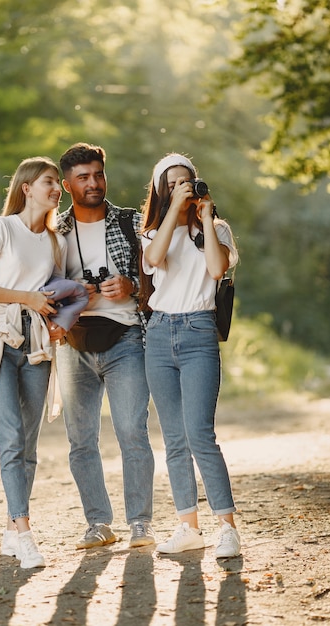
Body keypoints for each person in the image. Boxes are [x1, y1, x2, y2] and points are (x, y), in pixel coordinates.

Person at [0, 156, 78, 569]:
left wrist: (60, 325)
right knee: (10, 437)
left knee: (27, 446)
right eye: (49, 181)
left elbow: (60, 293)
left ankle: (12, 529)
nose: (56, 189)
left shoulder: (55, 242)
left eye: (57, 184)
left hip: (37, 346)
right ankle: (26, 532)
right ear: (27, 187)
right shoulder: (1, 229)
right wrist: (26, 298)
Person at [54, 142, 155, 550]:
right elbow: (39, 289)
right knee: (81, 440)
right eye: (83, 177)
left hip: (125, 336)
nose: (93, 183)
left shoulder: (132, 222)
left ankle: (141, 525)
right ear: (66, 185)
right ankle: (99, 524)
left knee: (132, 431)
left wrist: (131, 285)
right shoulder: (54, 232)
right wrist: (73, 292)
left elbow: (158, 277)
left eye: (98, 174)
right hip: (74, 343)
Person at [140, 153, 240, 558]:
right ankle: (188, 526)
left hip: (199, 331)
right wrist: (174, 212)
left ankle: (228, 527)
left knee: (200, 434)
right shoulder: (152, 232)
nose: (182, 188)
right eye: (173, 183)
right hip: (160, 334)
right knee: (174, 439)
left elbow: (216, 270)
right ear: (162, 190)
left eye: (188, 181)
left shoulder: (217, 229)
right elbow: (153, 260)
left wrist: (205, 217)